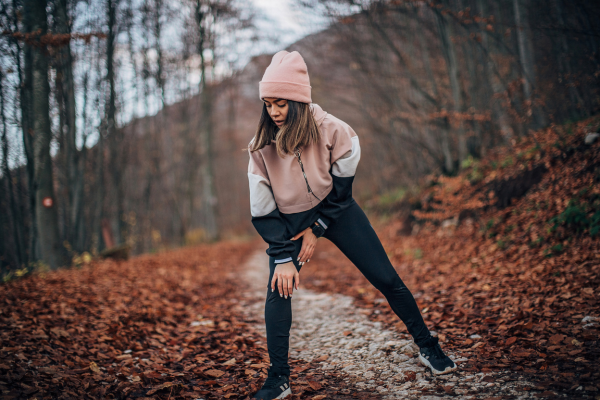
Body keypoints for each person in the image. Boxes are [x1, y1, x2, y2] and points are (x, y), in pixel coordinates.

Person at [246, 50, 456, 400]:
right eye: (268, 104)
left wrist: (318, 228)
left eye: (281, 103)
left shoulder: (335, 131)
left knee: (386, 277)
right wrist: (283, 256)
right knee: (278, 290)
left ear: (298, 100)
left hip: (336, 211)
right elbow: (262, 210)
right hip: (288, 221)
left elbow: (342, 191)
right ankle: (279, 377)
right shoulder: (261, 147)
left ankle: (427, 344)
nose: (274, 112)